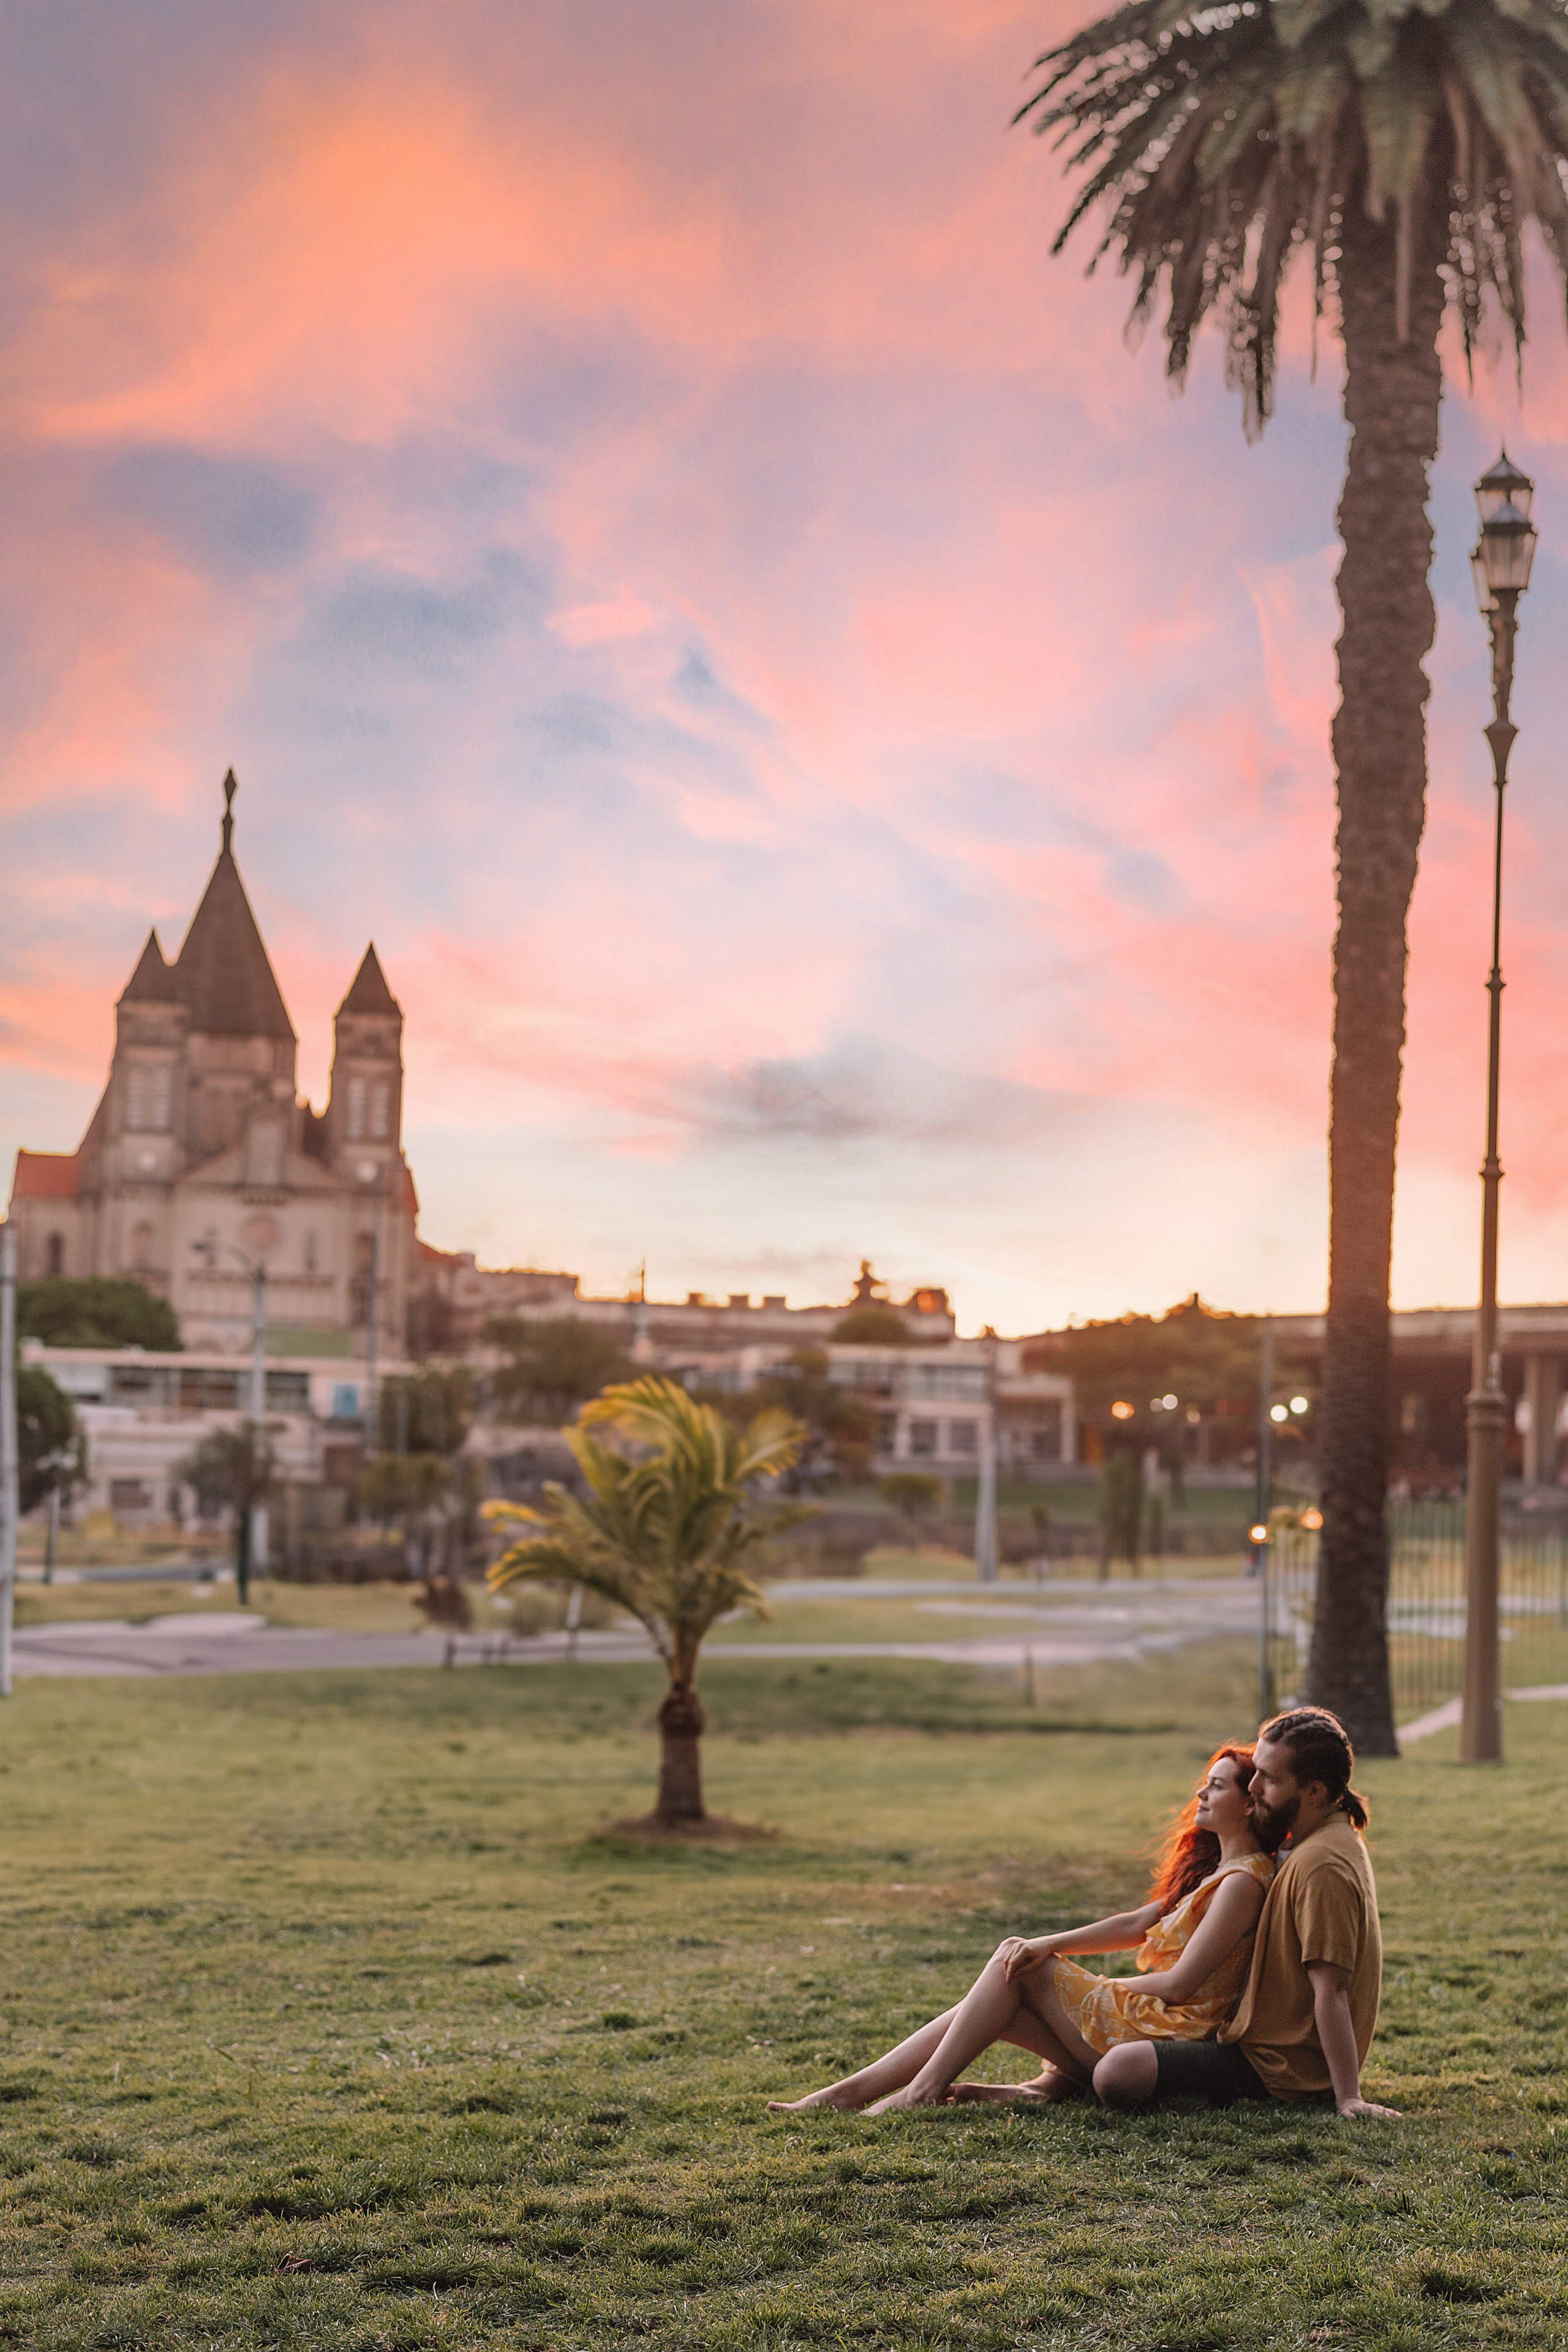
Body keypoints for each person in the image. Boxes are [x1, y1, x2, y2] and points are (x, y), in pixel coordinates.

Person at [766, 1745, 1279, 2114]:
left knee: (1015, 1966)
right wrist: (1051, 1945)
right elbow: (1134, 1925)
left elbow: (1179, 1986)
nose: (1200, 1792)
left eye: (1216, 1785)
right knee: (1009, 1981)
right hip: (1148, 2020)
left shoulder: (1242, 1884)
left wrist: (1088, 1989)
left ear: (1250, 1803)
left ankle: (912, 2092)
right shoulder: (1214, 1874)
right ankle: (852, 2094)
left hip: (1167, 2030)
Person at [1093, 1705, 1399, 2120]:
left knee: (1119, 2070)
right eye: (1256, 1772)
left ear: (1314, 1790)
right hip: (1256, 2044)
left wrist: (1348, 2097)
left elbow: (1333, 1988)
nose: (1253, 1788)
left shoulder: (1322, 1865)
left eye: (1270, 1779)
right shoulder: (1314, 1841)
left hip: (1280, 2069)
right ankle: (1037, 2087)